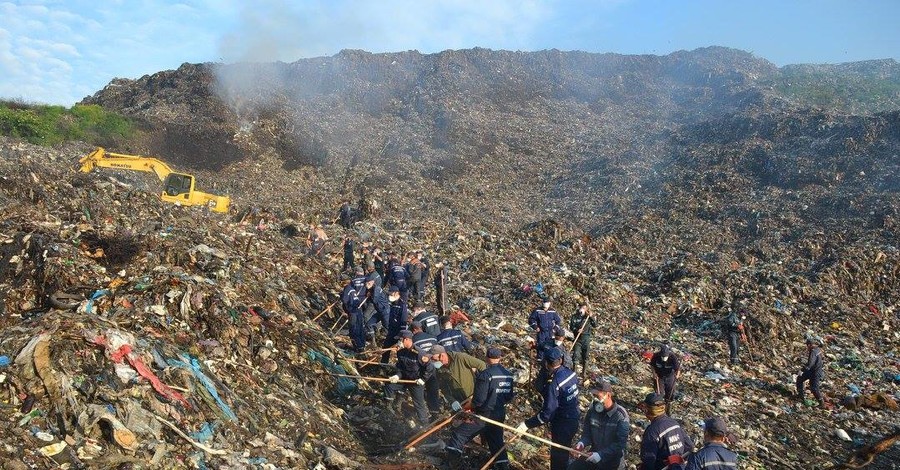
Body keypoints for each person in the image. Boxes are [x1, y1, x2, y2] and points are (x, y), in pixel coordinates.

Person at [445, 347, 515, 470]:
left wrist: (464, 407)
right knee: (496, 441)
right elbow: (509, 397)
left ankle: (451, 464)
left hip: (483, 416)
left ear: (487, 358)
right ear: (500, 358)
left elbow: (478, 401)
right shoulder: (508, 375)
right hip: (499, 414)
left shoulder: (485, 375)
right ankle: (503, 466)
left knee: (459, 434)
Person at [518, 348, 580, 470]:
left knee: (558, 458)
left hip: (562, 424)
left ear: (546, 363)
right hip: (574, 418)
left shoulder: (555, 384)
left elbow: (548, 414)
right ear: (561, 360)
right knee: (564, 454)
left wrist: (527, 424)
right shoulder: (571, 373)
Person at [569, 379, 629, 470]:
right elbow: (587, 434)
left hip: (612, 462)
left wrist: (601, 455)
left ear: (608, 395)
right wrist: (581, 444)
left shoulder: (620, 415)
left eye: (597, 396)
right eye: (594, 395)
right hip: (593, 455)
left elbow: (620, 443)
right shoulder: (592, 411)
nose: (595, 399)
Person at [385, 331, 434, 426]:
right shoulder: (400, 352)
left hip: (416, 382)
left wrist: (423, 379)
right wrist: (397, 376)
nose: (398, 342)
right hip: (404, 379)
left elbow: (430, 367)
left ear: (406, 339)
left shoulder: (419, 353)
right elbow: (400, 367)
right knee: (389, 385)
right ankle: (390, 408)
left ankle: (425, 424)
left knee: (419, 404)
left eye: (400, 340)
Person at [638, 393, 693, 470]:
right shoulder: (674, 423)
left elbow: (649, 459)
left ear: (648, 410)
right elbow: (689, 446)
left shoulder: (652, 431)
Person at [380, 287, 408, 364]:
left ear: (396, 293)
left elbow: (403, 320)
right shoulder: (392, 303)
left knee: (399, 350)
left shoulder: (402, 305)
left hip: (398, 331)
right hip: (391, 330)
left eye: (391, 293)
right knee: (386, 347)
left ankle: (401, 366)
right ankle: (383, 363)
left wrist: (401, 335)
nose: (390, 295)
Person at [796, 337, 825, 407]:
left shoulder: (813, 351)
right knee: (800, 379)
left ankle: (821, 403)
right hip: (813, 370)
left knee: (814, 388)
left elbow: (810, 363)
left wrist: (802, 370)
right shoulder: (817, 349)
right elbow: (822, 359)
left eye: (807, 345)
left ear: (809, 345)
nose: (807, 347)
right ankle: (800, 396)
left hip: (814, 372)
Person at [569, 304, 597, 375]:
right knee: (576, 355)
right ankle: (573, 373)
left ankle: (583, 374)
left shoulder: (588, 317)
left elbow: (595, 325)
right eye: (581, 308)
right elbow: (571, 327)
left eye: (584, 308)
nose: (582, 309)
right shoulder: (574, 317)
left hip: (586, 339)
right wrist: (577, 330)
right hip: (577, 339)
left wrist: (591, 317)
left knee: (586, 356)